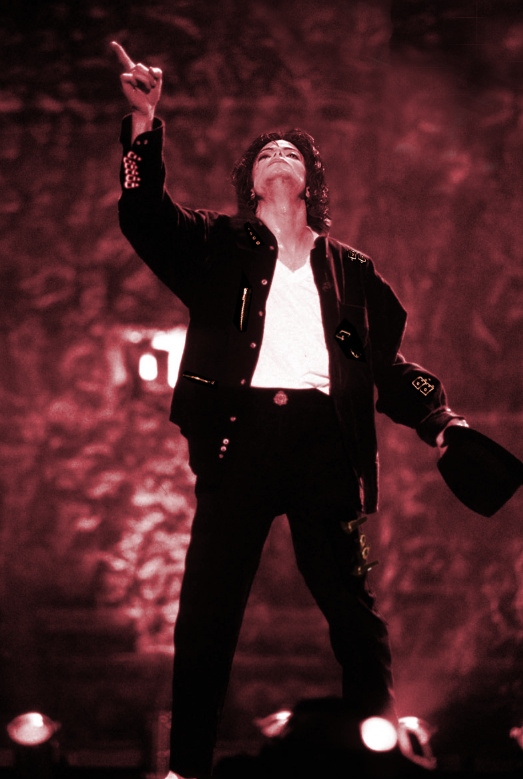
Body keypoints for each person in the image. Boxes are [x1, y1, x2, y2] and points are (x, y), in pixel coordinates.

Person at [112, 42, 468, 779]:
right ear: (250, 182)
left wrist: (439, 419)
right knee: (206, 612)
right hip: (238, 439)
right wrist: (144, 125)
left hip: (324, 445)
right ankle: (187, 769)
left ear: (309, 181)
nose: (278, 156)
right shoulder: (216, 248)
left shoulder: (351, 271)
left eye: (292, 152)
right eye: (265, 153)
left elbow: (385, 366)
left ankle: (379, 761)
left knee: (353, 610)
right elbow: (143, 214)